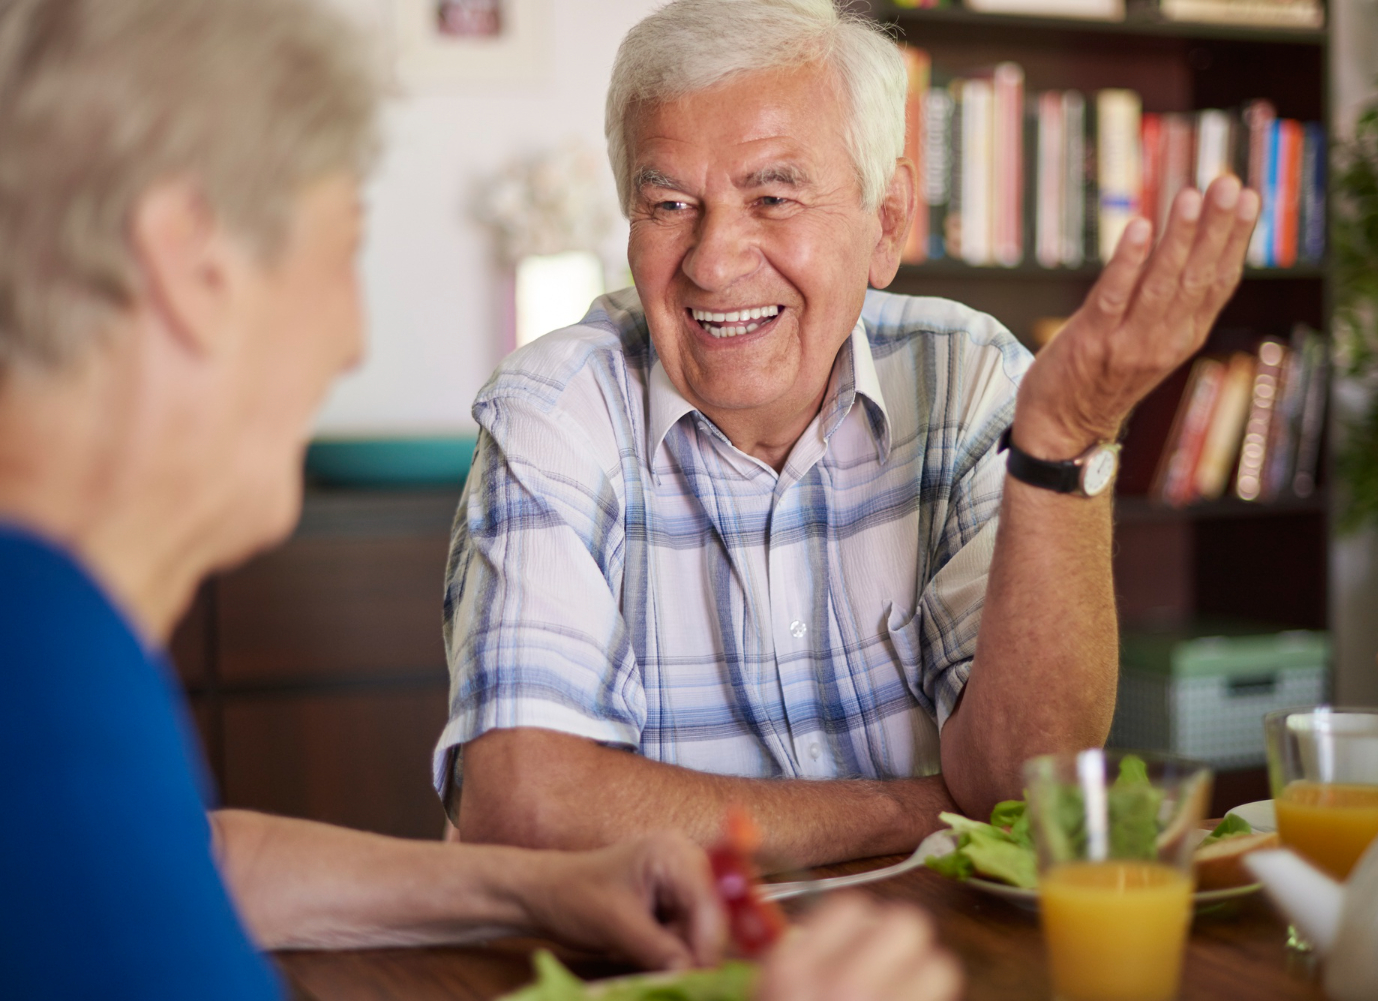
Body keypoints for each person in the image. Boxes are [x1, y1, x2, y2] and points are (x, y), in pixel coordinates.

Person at [0, 1, 960, 999]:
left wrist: (537, 889)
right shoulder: (41, 688)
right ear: (189, 261)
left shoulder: (54, 639)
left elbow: (196, 861)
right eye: (342, 249)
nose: (353, 340)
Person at [441, 0, 1259, 867]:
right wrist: (908, 812)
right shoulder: (556, 410)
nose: (714, 262)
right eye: (672, 203)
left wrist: (1065, 440)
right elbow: (526, 802)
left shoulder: (968, 378)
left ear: (888, 221)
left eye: (773, 196)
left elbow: (1024, 784)